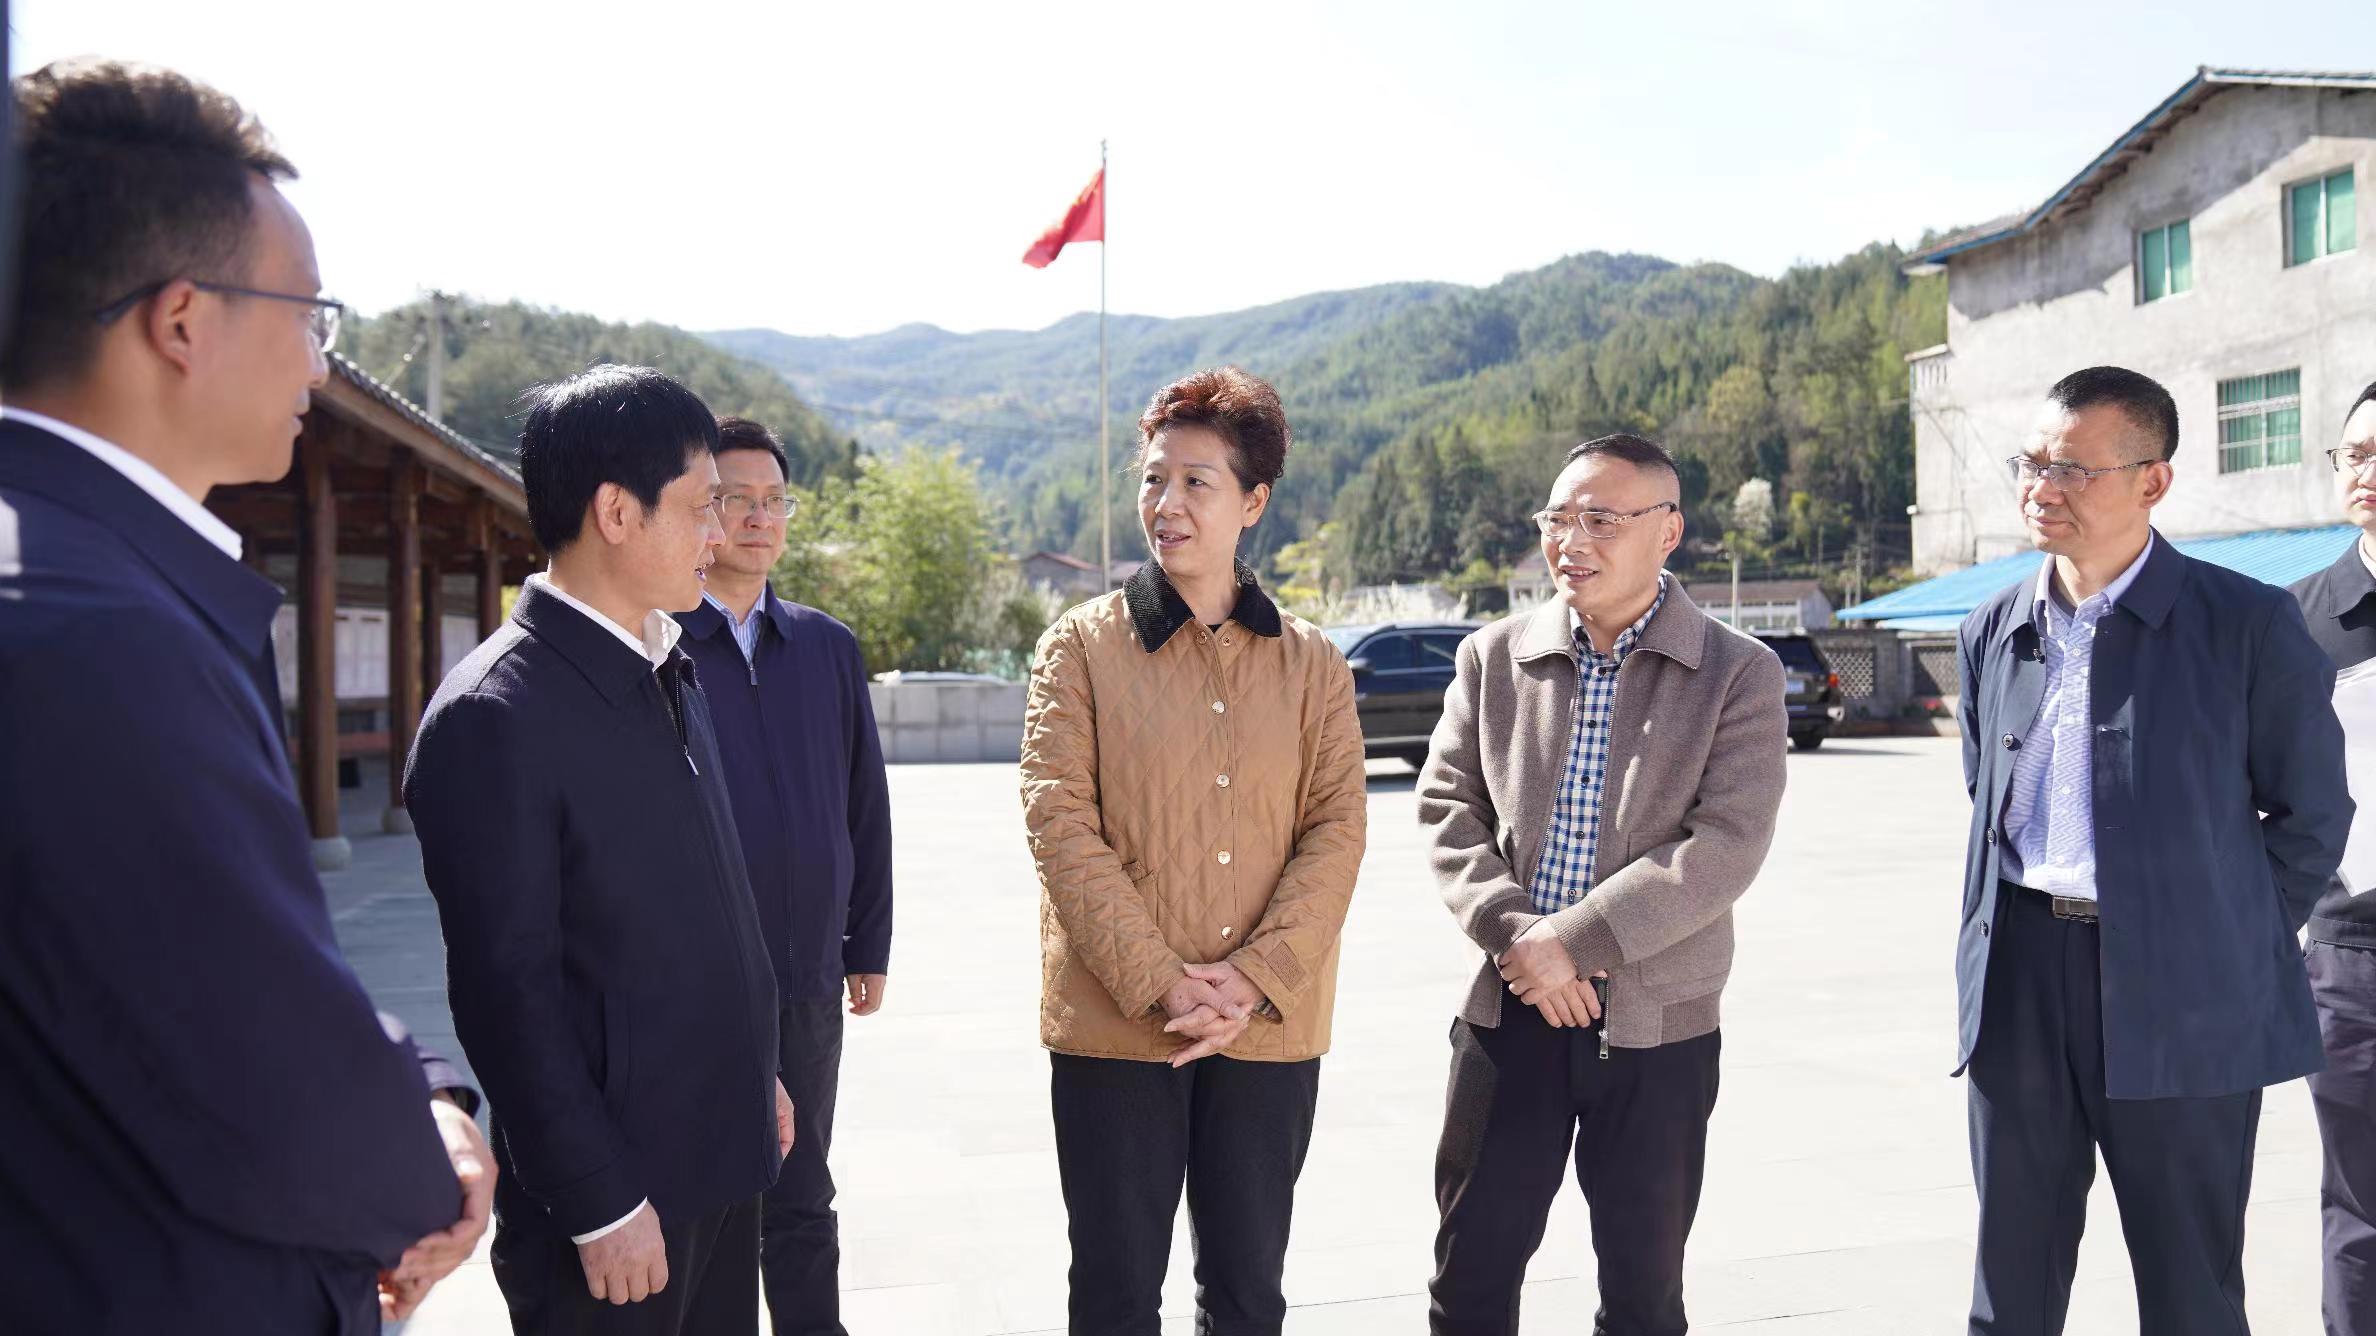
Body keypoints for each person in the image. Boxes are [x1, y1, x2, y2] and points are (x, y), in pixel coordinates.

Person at [0, 59, 489, 1333]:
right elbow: (257, 1073)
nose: (320, 365)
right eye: (309, 315)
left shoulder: (63, 573)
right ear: (181, 321)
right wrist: (425, 1158)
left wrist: (418, 1083)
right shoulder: (94, 632)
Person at [1954, 366, 2350, 1335]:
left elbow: (2312, 816)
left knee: (2190, 1289)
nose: (2041, 488)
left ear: (2152, 481)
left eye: (2071, 469)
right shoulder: (1992, 629)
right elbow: (1987, 793)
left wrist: (2220, 932)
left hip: (2186, 991)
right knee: (2010, 1283)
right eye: (2031, 464)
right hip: (2019, 977)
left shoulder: (2247, 624)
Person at [404, 365, 794, 1335]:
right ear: (616, 512)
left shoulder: (667, 663)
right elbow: (505, 998)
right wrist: (599, 1201)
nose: (720, 535)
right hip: (620, 1209)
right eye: (701, 506)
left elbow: (703, 910)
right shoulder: (495, 716)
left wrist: (756, 1077)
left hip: (718, 1159)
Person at [1018, 366, 1365, 1335]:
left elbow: (1337, 828)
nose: (1166, 503)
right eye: (1153, 479)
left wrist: (1252, 978)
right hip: (1117, 1027)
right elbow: (1058, 822)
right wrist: (1163, 983)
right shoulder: (1079, 648)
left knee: (1248, 1295)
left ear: (1254, 501)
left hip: (1268, 1027)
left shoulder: (1313, 664)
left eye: (1196, 482)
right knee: (1116, 1294)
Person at [1418, 432, 1785, 1336]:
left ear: (1668, 531)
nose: (1570, 541)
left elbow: (1725, 846)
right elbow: (1447, 809)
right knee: (1470, 1275)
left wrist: (1571, 943)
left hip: (1657, 1029)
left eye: (1600, 521)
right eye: (1557, 519)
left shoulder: (1739, 671)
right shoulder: (1493, 656)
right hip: (1512, 1008)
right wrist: (1519, 937)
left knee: (1642, 1293)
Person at [675, 415, 893, 1336]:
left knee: (804, 1197)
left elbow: (864, 802)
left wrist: (867, 942)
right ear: (701, 510)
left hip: (807, 977)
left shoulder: (826, 646)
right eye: (736, 499)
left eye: (775, 500)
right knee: (713, 1206)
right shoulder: (659, 642)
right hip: (701, 986)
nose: (759, 518)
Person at [2286, 378, 2376, 1336]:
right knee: (2361, 1207)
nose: (2366, 471)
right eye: (2355, 454)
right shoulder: (2300, 619)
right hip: (2355, 962)